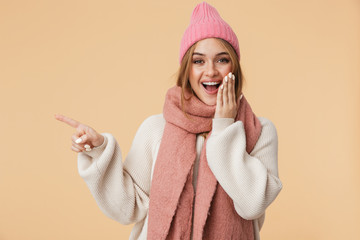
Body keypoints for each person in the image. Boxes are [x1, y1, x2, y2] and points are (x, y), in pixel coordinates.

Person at [55, 2, 282, 240]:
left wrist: (224, 127)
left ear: (234, 66)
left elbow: (252, 204)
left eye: (222, 60)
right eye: (198, 61)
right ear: (187, 69)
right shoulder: (156, 129)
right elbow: (129, 207)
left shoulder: (259, 131)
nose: (211, 71)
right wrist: (100, 151)